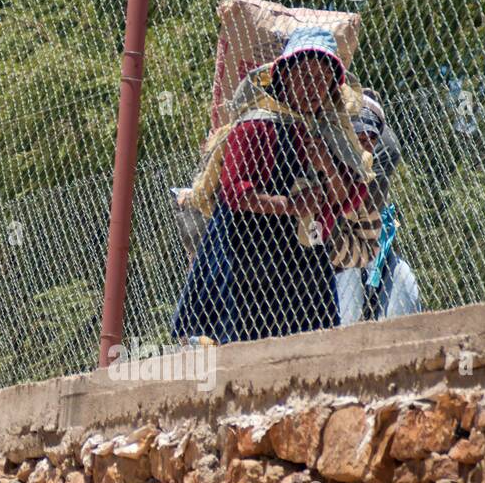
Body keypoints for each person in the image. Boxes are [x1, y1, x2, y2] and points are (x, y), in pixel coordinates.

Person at [172, 27, 374, 344]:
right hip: (247, 250)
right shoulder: (256, 124)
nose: (313, 87)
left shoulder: (333, 132)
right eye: (304, 77)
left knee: (311, 341)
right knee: (245, 341)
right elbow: (234, 192)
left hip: (303, 255)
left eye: (322, 79)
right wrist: (290, 206)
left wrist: (325, 165)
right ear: (284, 76)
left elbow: (346, 199)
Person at [336, 91, 423, 324]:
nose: (367, 144)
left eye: (371, 138)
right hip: (339, 249)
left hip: (374, 251)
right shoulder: (325, 149)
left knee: (404, 284)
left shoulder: (385, 149)